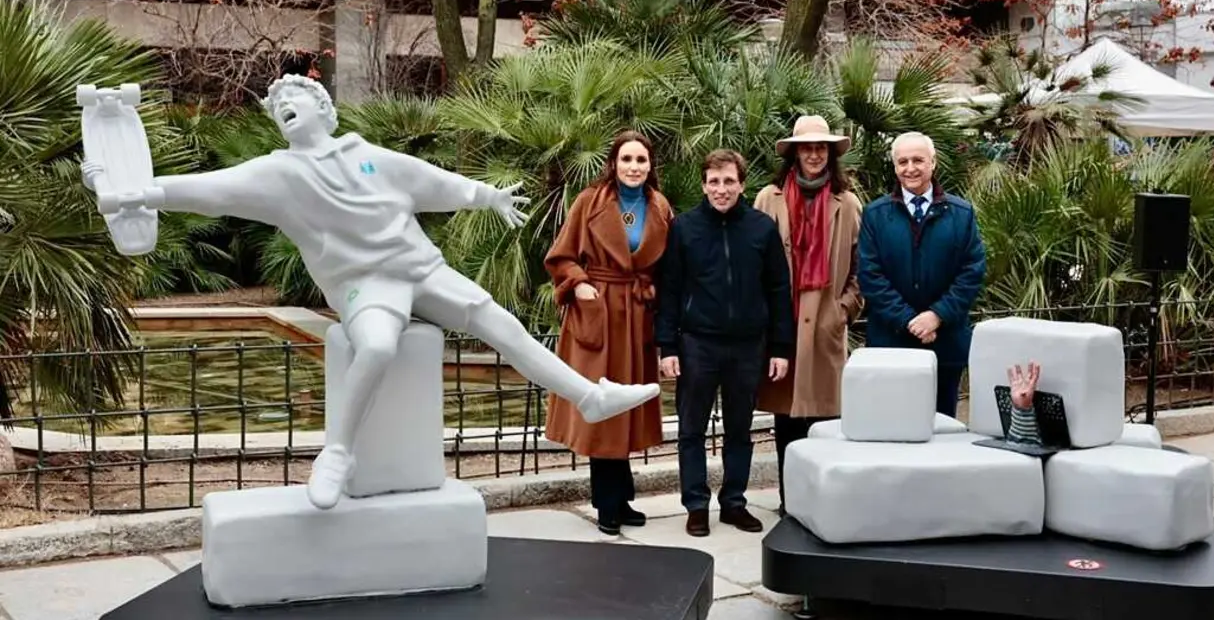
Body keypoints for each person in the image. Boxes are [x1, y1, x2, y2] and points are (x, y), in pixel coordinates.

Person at [80, 74, 659, 510]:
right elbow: (208, 190)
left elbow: (430, 183)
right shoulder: (276, 174)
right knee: (378, 346)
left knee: (494, 318)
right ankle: (336, 452)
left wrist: (487, 196)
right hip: (363, 285)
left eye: (296, 99)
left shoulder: (365, 155)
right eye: (277, 107)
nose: (285, 106)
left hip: (420, 267)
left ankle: (588, 396)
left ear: (324, 110)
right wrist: (137, 193)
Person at [655, 149, 794, 537]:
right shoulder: (684, 228)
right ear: (703, 184)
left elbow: (779, 290)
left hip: (749, 345)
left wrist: (781, 348)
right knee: (692, 430)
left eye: (729, 181)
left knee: (739, 430)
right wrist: (667, 346)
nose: (721, 189)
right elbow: (669, 289)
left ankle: (734, 502)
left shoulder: (761, 228)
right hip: (698, 343)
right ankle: (696, 505)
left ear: (742, 184)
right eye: (714, 182)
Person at [543, 131, 675, 535]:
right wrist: (579, 283)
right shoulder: (590, 201)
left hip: (636, 316)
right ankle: (606, 503)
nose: (634, 167)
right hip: (598, 312)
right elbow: (560, 255)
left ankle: (623, 498)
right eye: (626, 159)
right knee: (601, 406)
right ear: (614, 163)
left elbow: (666, 264)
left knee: (627, 408)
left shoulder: (660, 206)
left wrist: (654, 292)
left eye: (641, 160)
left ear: (650, 165)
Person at [752, 116, 864, 516]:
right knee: (786, 420)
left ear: (831, 155)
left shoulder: (847, 202)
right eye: (807, 147)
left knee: (825, 420)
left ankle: (824, 500)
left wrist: (844, 309)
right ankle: (790, 500)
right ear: (795, 153)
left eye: (821, 148)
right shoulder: (769, 199)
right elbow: (754, 263)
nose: (814, 154)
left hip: (825, 324)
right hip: (782, 323)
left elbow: (859, 268)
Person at [856, 131, 986, 418]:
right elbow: (870, 275)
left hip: (945, 342)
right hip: (891, 343)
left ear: (933, 162)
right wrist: (908, 320)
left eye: (918, 160)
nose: (910, 168)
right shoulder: (875, 215)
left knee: (942, 432)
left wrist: (936, 315)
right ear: (894, 167)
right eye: (903, 161)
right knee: (891, 428)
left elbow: (972, 271)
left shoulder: (961, 214)